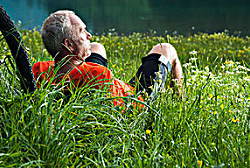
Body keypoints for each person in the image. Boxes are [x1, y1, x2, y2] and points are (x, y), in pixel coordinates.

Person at [32, 10, 183, 105]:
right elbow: (127, 110)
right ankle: (180, 102)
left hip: (80, 74)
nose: (88, 35)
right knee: (166, 48)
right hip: (136, 96)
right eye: (82, 31)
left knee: (97, 46)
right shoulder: (99, 75)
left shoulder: (39, 70)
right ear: (69, 45)